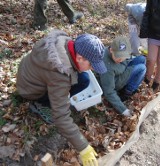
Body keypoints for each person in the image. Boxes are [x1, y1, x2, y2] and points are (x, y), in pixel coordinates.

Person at [16, 29, 107, 166]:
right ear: (80, 58)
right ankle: (38, 104)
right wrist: (83, 147)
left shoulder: (65, 43)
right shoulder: (59, 74)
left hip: (29, 73)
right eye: (91, 65)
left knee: (84, 79)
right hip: (30, 89)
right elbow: (61, 117)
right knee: (61, 104)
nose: (92, 68)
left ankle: (57, 97)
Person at [99, 36, 146, 116]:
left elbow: (125, 60)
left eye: (123, 56)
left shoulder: (116, 55)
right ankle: (126, 93)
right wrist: (123, 110)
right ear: (111, 50)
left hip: (120, 71)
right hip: (116, 81)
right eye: (118, 56)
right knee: (142, 68)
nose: (120, 59)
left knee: (142, 59)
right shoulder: (107, 67)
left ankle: (131, 84)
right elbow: (109, 92)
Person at [140, 0, 160, 91]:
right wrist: (143, 31)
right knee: (151, 59)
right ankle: (147, 80)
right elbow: (147, 13)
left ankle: (156, 82)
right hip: (153, 33)